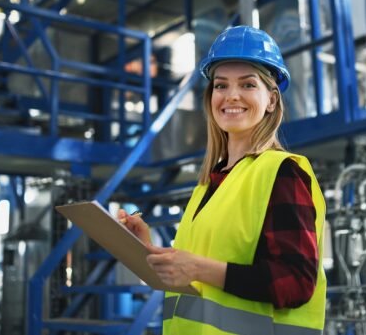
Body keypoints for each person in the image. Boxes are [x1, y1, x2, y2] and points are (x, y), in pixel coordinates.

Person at [118, 25, 326, 335]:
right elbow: (196, 280)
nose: (231, 96)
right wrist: (147, 249)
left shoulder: (282, 172)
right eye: (221, 86)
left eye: (247, 84)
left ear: (271, 99)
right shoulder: (211, 183)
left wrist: (198, 268)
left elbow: (296, 282)